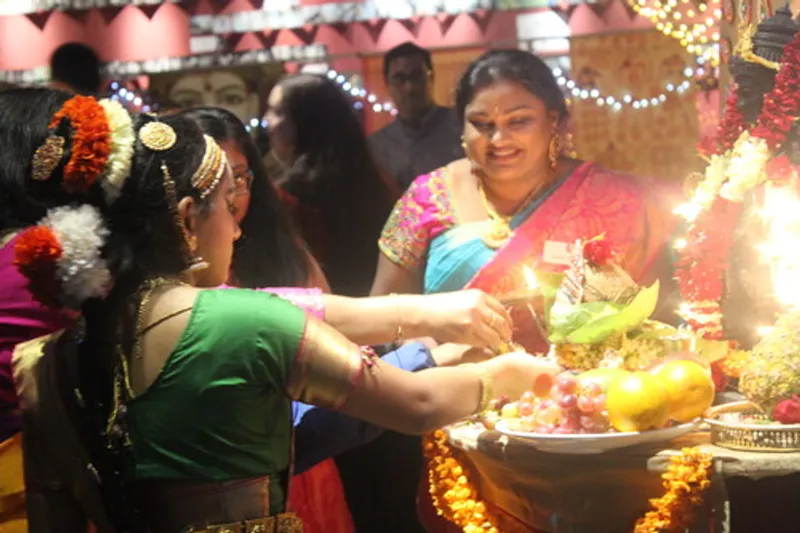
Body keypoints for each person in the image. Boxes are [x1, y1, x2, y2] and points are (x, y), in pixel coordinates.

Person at [11, 109, 562, 533]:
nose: (238, 228)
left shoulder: (45, 361)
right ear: (185, 220)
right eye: (228, 205)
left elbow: (50, 515)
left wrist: (429, 338)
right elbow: (416, 406)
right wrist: (507, 375)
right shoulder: (250, 319)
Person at [371, 49, 677, 532]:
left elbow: (652, 319)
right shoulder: (428, 197)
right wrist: (437, 354)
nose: (499, 139)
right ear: (461, 127)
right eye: (481, 123)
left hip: (586, 426)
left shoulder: (611, 199)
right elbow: (381, 315)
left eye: (518, 121)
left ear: (555, 122)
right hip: (458, 418)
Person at [185, 106, 491, 533]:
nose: (233, 205)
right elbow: (301, 322)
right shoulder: (430, 194)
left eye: (240, 179)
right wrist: (460, 363)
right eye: (214, 190)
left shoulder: (278, 251)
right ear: (182, 209)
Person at [267, 73, 398, 297]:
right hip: (378, 312)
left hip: (320, 318)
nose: (268, 122)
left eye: (277, 112)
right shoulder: (376, 180)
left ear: (306, 122)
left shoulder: (289, 198)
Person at [369, 42, 464, 191]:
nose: (410, 88)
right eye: (400, 78)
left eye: (416, 76)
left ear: (431, 77)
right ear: (387, 84)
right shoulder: (378, 147)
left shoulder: (462, 129)